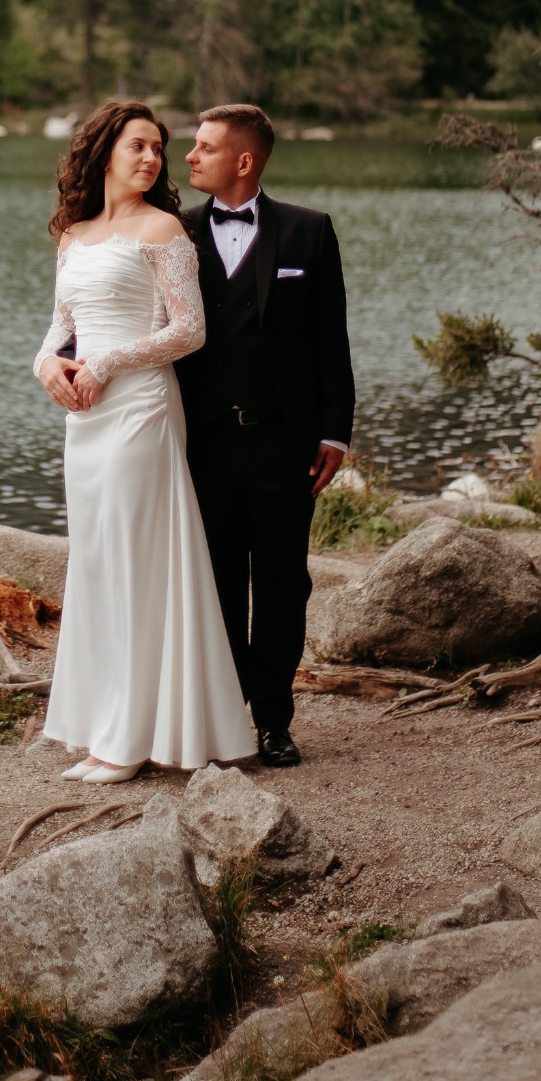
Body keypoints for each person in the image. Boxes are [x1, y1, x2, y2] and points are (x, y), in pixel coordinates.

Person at [34, 99, 254, 784]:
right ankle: (104, 725)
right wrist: (46, 365)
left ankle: (129, 741)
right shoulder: (73, 235)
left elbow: (189, 330)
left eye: (158, 148)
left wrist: (105, 362)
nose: (153, 158)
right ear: (104, 151)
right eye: (138, 145)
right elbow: (60, 325)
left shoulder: (164, 229)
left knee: (135, 563)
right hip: (85, 419)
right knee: (97, 563)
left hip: (140, 409)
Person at [176, 103, 355, 768]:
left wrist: (335, 433)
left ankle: (274, 721)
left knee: (282, 585)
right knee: (218, 584)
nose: (190, 156)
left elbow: (330, 339)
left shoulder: (309, 231)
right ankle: (225, 720)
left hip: (285, 444)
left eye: (204, 147)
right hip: (203, 446)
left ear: (243, 161)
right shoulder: (176, 233)